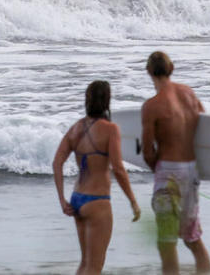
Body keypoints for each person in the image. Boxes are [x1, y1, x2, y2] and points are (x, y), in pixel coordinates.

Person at [53, 80, 141, 275]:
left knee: (84, 265)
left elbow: (57, 163)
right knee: (94, 268)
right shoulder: (110, 129)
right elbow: (118, 169)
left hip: (77, 199)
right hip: (97, 201)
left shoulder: (75, 128)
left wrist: (62, 199)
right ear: (107, 101)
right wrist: (133, 202)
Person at [141, 51, 210, 274]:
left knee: (166, 241)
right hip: (191, 171)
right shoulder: (189, 94)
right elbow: (205, 125)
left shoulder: (152, 106)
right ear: (172, 69)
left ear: (149, 72)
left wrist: (158, 169)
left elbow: (147, 150)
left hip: (168, 173)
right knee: (192, 238)